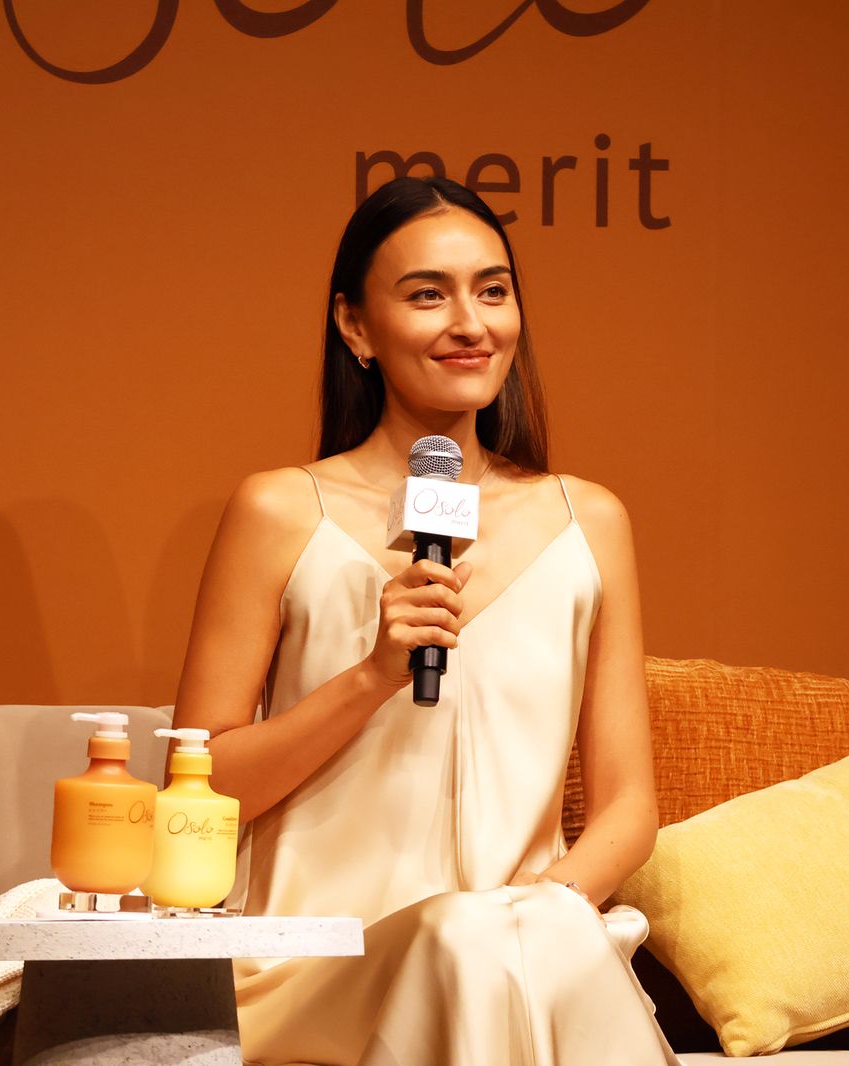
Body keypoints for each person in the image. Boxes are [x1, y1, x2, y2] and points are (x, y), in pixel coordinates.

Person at [171, 176, 676, 1065]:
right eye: (427, 295)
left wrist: (544, 912)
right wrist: (372, 677)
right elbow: (203, 795)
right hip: (319, 966)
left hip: (527, 947)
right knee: (462, 942)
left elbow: (627, 805)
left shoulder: (589, 521)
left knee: (483, 943)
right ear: (355, 326)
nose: (471, 323)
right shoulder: (279, 511)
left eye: (493, 290)